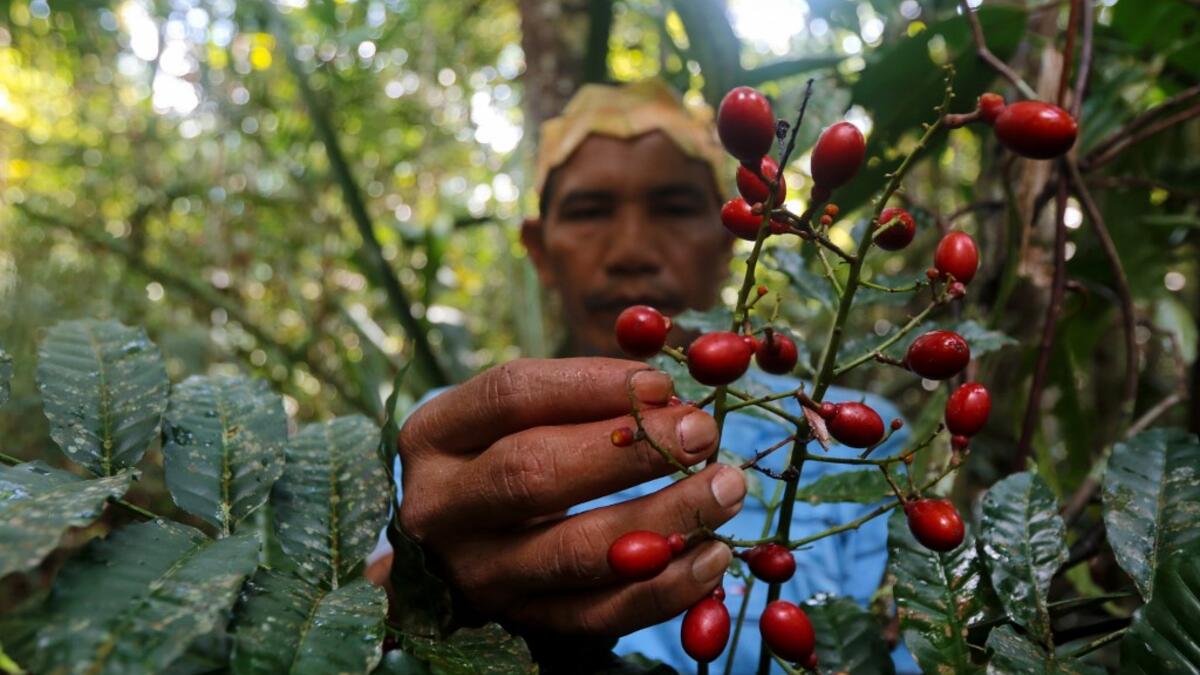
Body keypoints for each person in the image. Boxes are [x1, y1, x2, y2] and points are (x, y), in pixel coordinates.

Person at [367, 80, 918, 673]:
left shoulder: (856, 437)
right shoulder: (451, 437)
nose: (631, 249)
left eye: (675, 208)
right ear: (540, 249)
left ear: (732, 235)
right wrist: (420, 589)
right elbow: (364, 627)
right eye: (590, 211)